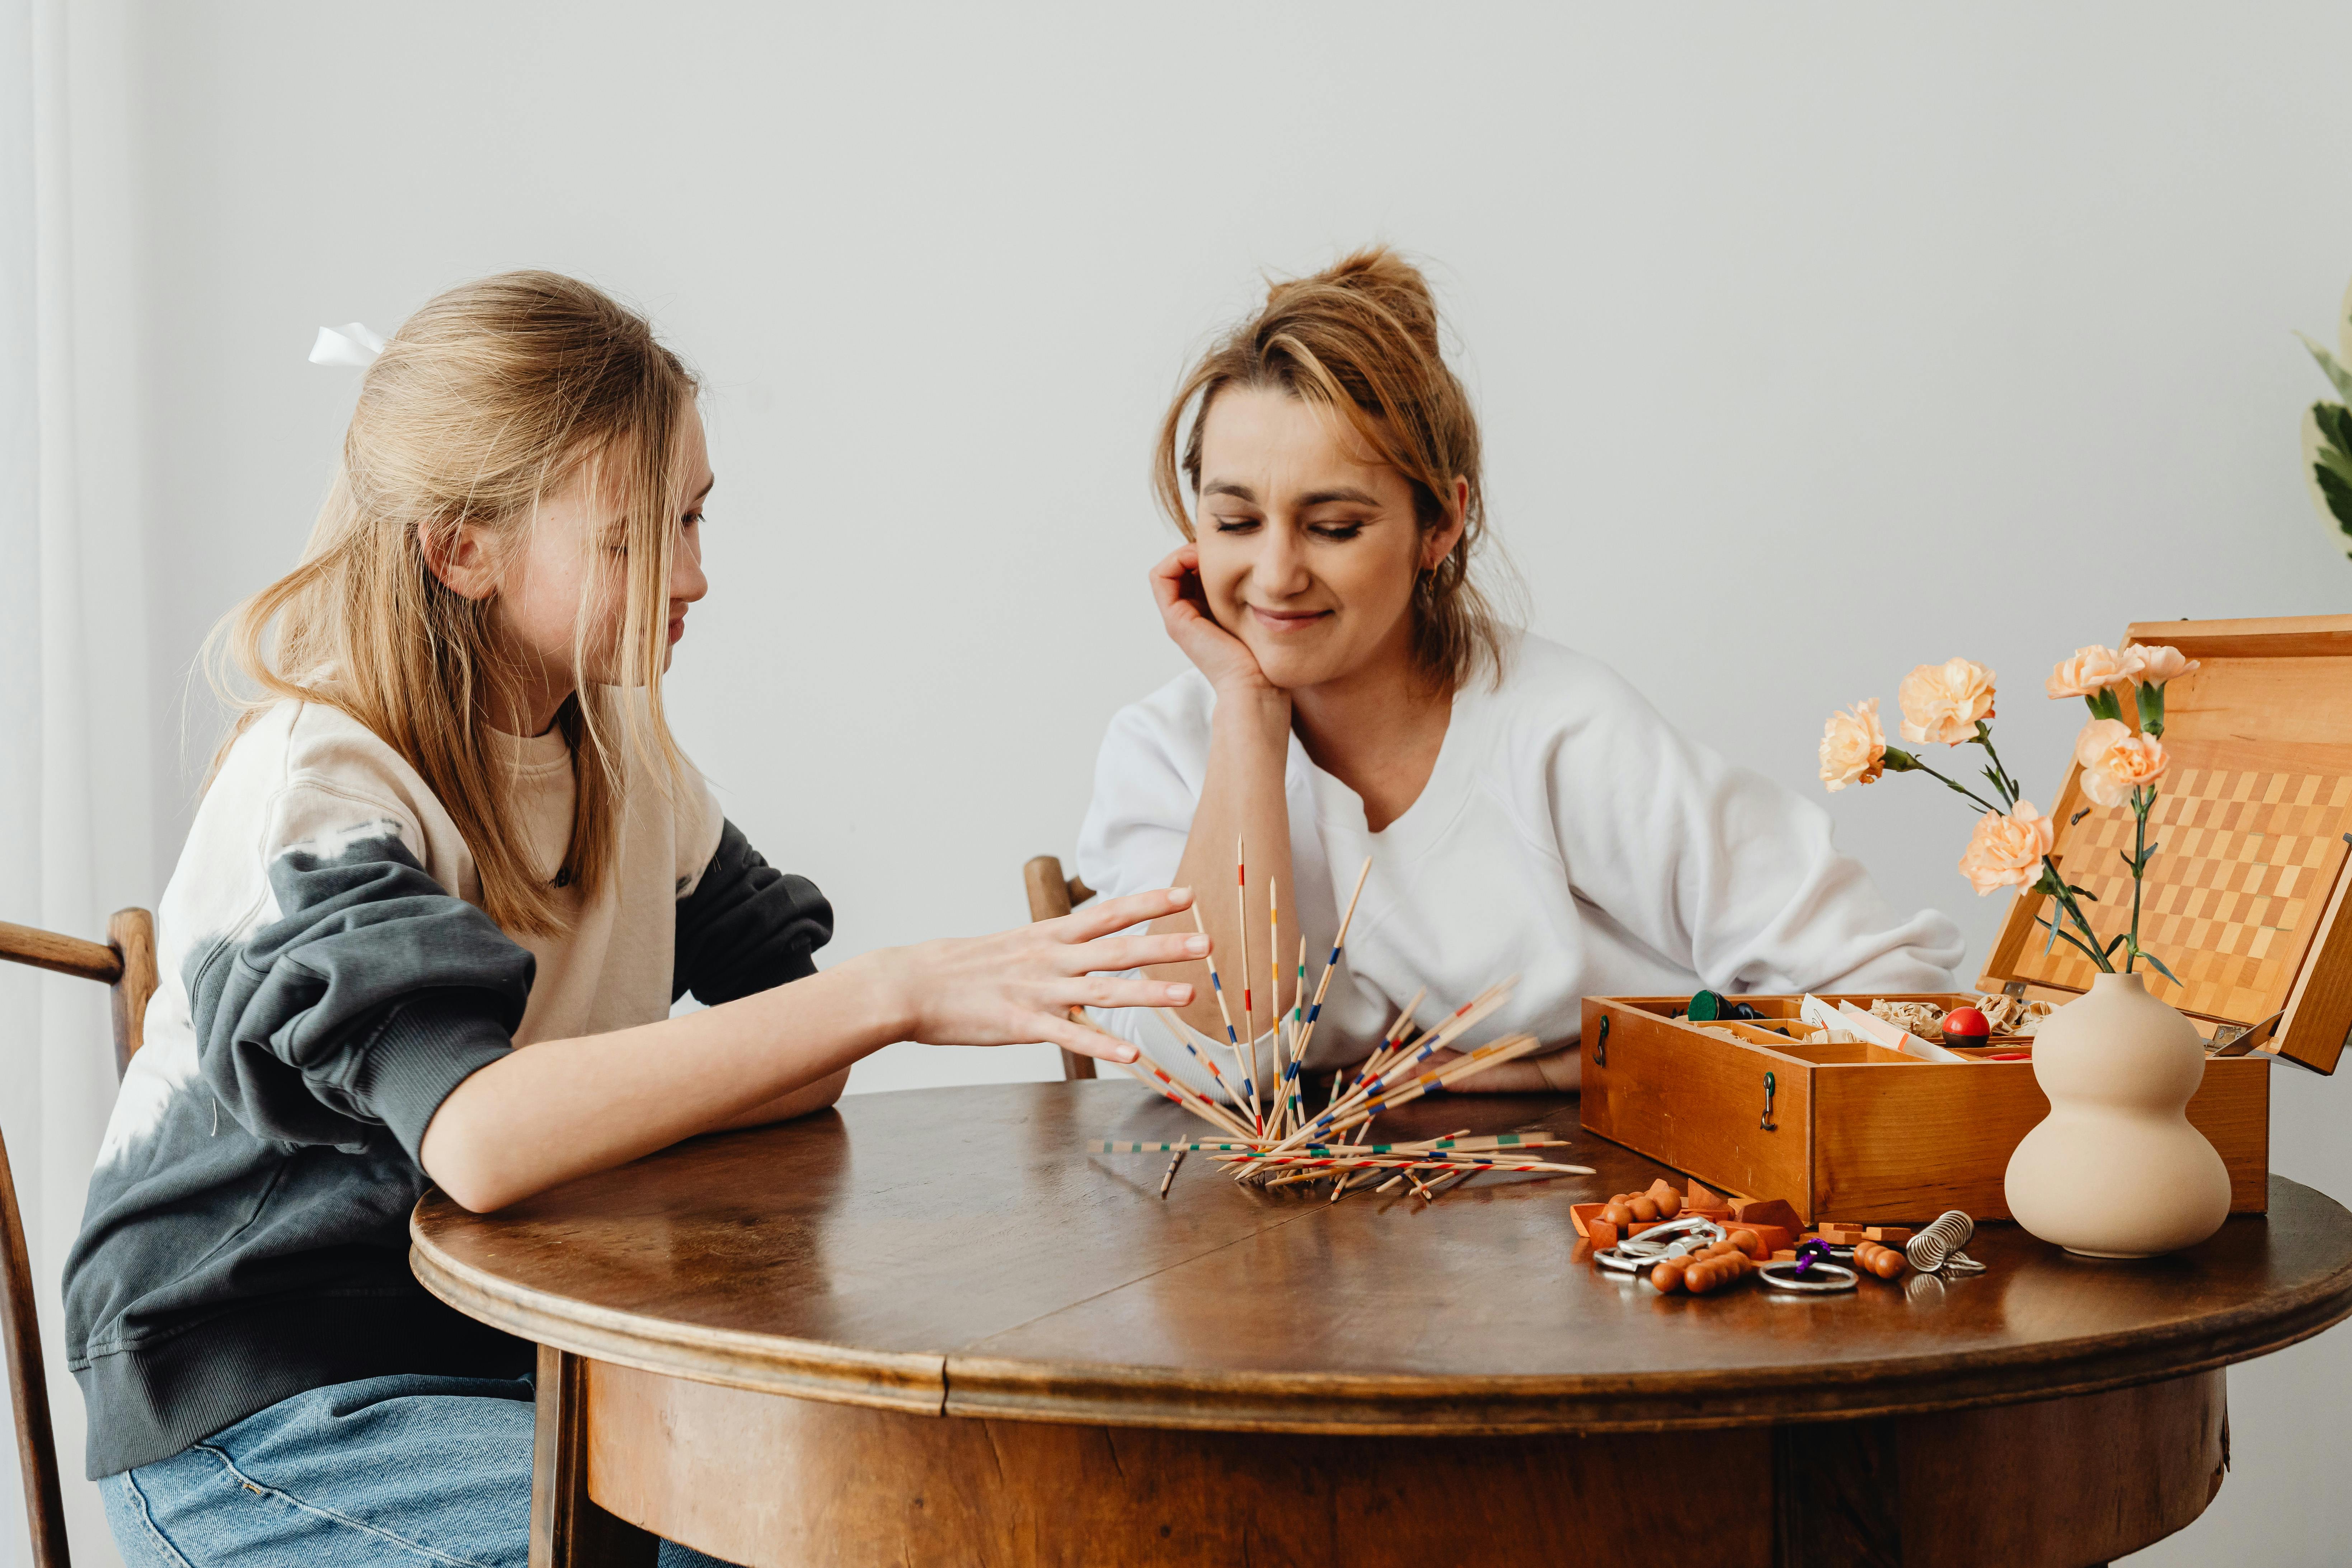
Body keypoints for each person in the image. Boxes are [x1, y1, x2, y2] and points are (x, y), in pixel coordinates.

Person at [65, 273, 1193, 1568]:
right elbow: (477, 1141)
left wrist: (843, 1014)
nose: (696, 576)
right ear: (461, 549)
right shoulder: (322, 787)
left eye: (697, 520)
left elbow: (791, 1043)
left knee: (872, 1524)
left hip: (505, 1368)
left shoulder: (626, 767)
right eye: (637, 536)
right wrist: (892, 992)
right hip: (257, 1411)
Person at [1075, 247, 1961, 1099]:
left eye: (1334, 527)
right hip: (1274, 1242)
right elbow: (1218, 1064)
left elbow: (1890, 989)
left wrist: (1547, 1071)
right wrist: (1247, 711)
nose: (1273, 575)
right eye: (1233, 522)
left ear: (1439, 526)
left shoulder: (1560, 730)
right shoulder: (1163, 752)